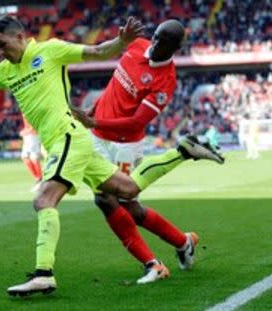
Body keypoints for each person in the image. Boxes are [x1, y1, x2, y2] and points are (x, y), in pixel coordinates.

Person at [0, 16, 223, 297]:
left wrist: (120, 41)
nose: (0, 52)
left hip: (73, 136)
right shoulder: (4, 70)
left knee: (44, 200)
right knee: (126, 191)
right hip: (76, 140)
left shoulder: (50, 50)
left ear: (20, 37)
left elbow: (98, 52)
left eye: (2, 44)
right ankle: (182, 152)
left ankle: (44, 274)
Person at [71, 20, 222, 283]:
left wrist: (96, 122)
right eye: (155, 37)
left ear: (174, 47)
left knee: (109, 200)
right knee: (125, 206)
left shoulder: (166, 81)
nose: (154, 43)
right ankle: (181, 242)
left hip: (125, 145)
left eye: (162, 41)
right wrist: (95, 111)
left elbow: (137, 122)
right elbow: (114, 85)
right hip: (97, 137)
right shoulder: (137, 45)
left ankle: (154, 264)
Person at [20, 116, 43, 191]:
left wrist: (27, 131)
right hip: (27, 135)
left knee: (34, 157)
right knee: (24, 157)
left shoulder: (33, 106)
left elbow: (37, 123)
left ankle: (40, 179)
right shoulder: (24, 107)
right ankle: (38, 178)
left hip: (33, 134)